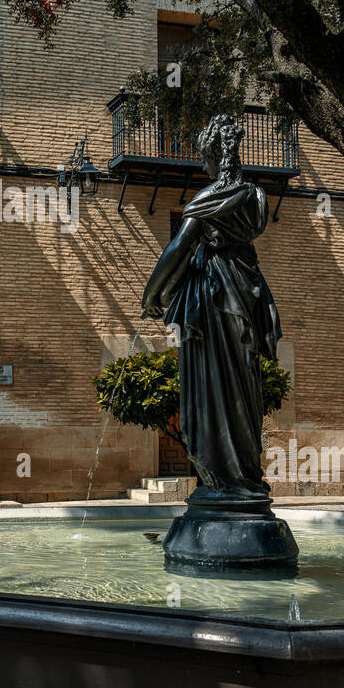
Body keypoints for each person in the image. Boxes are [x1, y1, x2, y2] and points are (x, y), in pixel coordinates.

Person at [142, 114, 281, 500]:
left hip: (214, 296)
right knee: (242, 384)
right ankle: (246, 476)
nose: (202, 166)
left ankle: (222, 479)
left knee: (210, 384)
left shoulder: (208, 199)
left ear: (215, 157)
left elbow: (177, 249)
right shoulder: (255, 197)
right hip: (246, 292)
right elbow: (246, 233)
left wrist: (151, 294)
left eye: (204, 158)